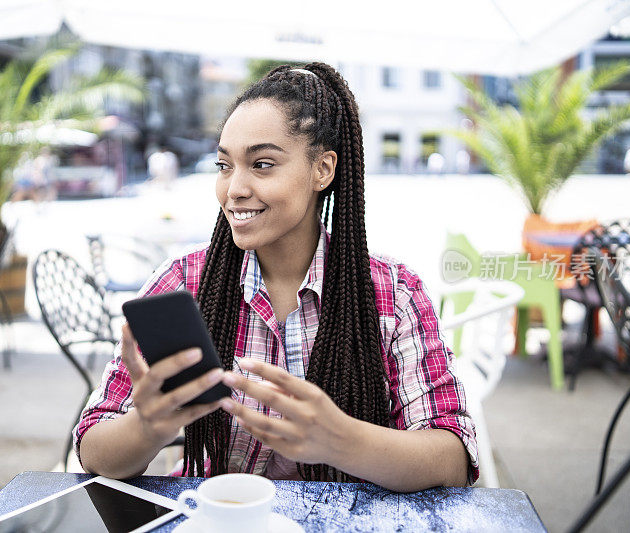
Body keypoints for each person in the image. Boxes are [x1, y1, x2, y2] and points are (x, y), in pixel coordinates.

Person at [76, 63, 477, 491]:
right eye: (224, 165)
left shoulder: (393, 294)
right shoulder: (183, 283)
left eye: (262, 164)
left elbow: (452, 457)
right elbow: (92, 450)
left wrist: (343, 441)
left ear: (322, 169)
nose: (234, 189)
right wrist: (147, 427)